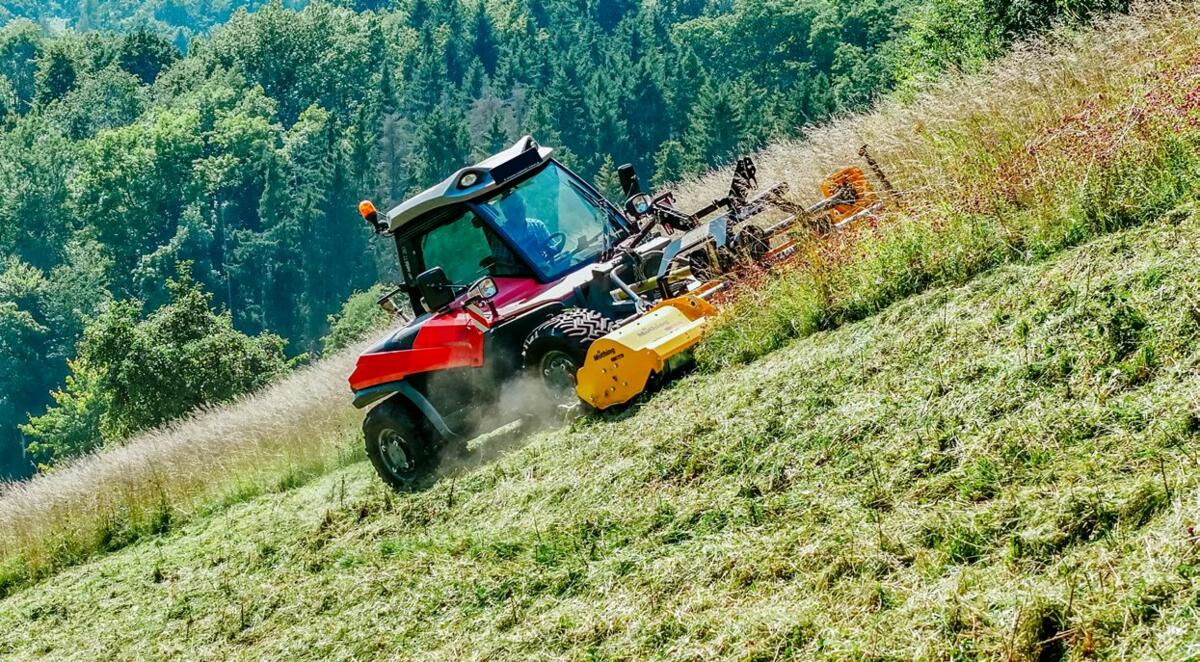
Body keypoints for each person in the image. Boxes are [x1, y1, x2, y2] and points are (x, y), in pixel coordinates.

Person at [486, 191, 555, 274]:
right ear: (506, 213)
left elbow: (553, 250)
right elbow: (503, 268)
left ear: (525, 206)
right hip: (524, 277)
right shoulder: (501, 236)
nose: (519, 212)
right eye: (513, 209)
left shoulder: (538, 226)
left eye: (520, 207)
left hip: (549, 272)